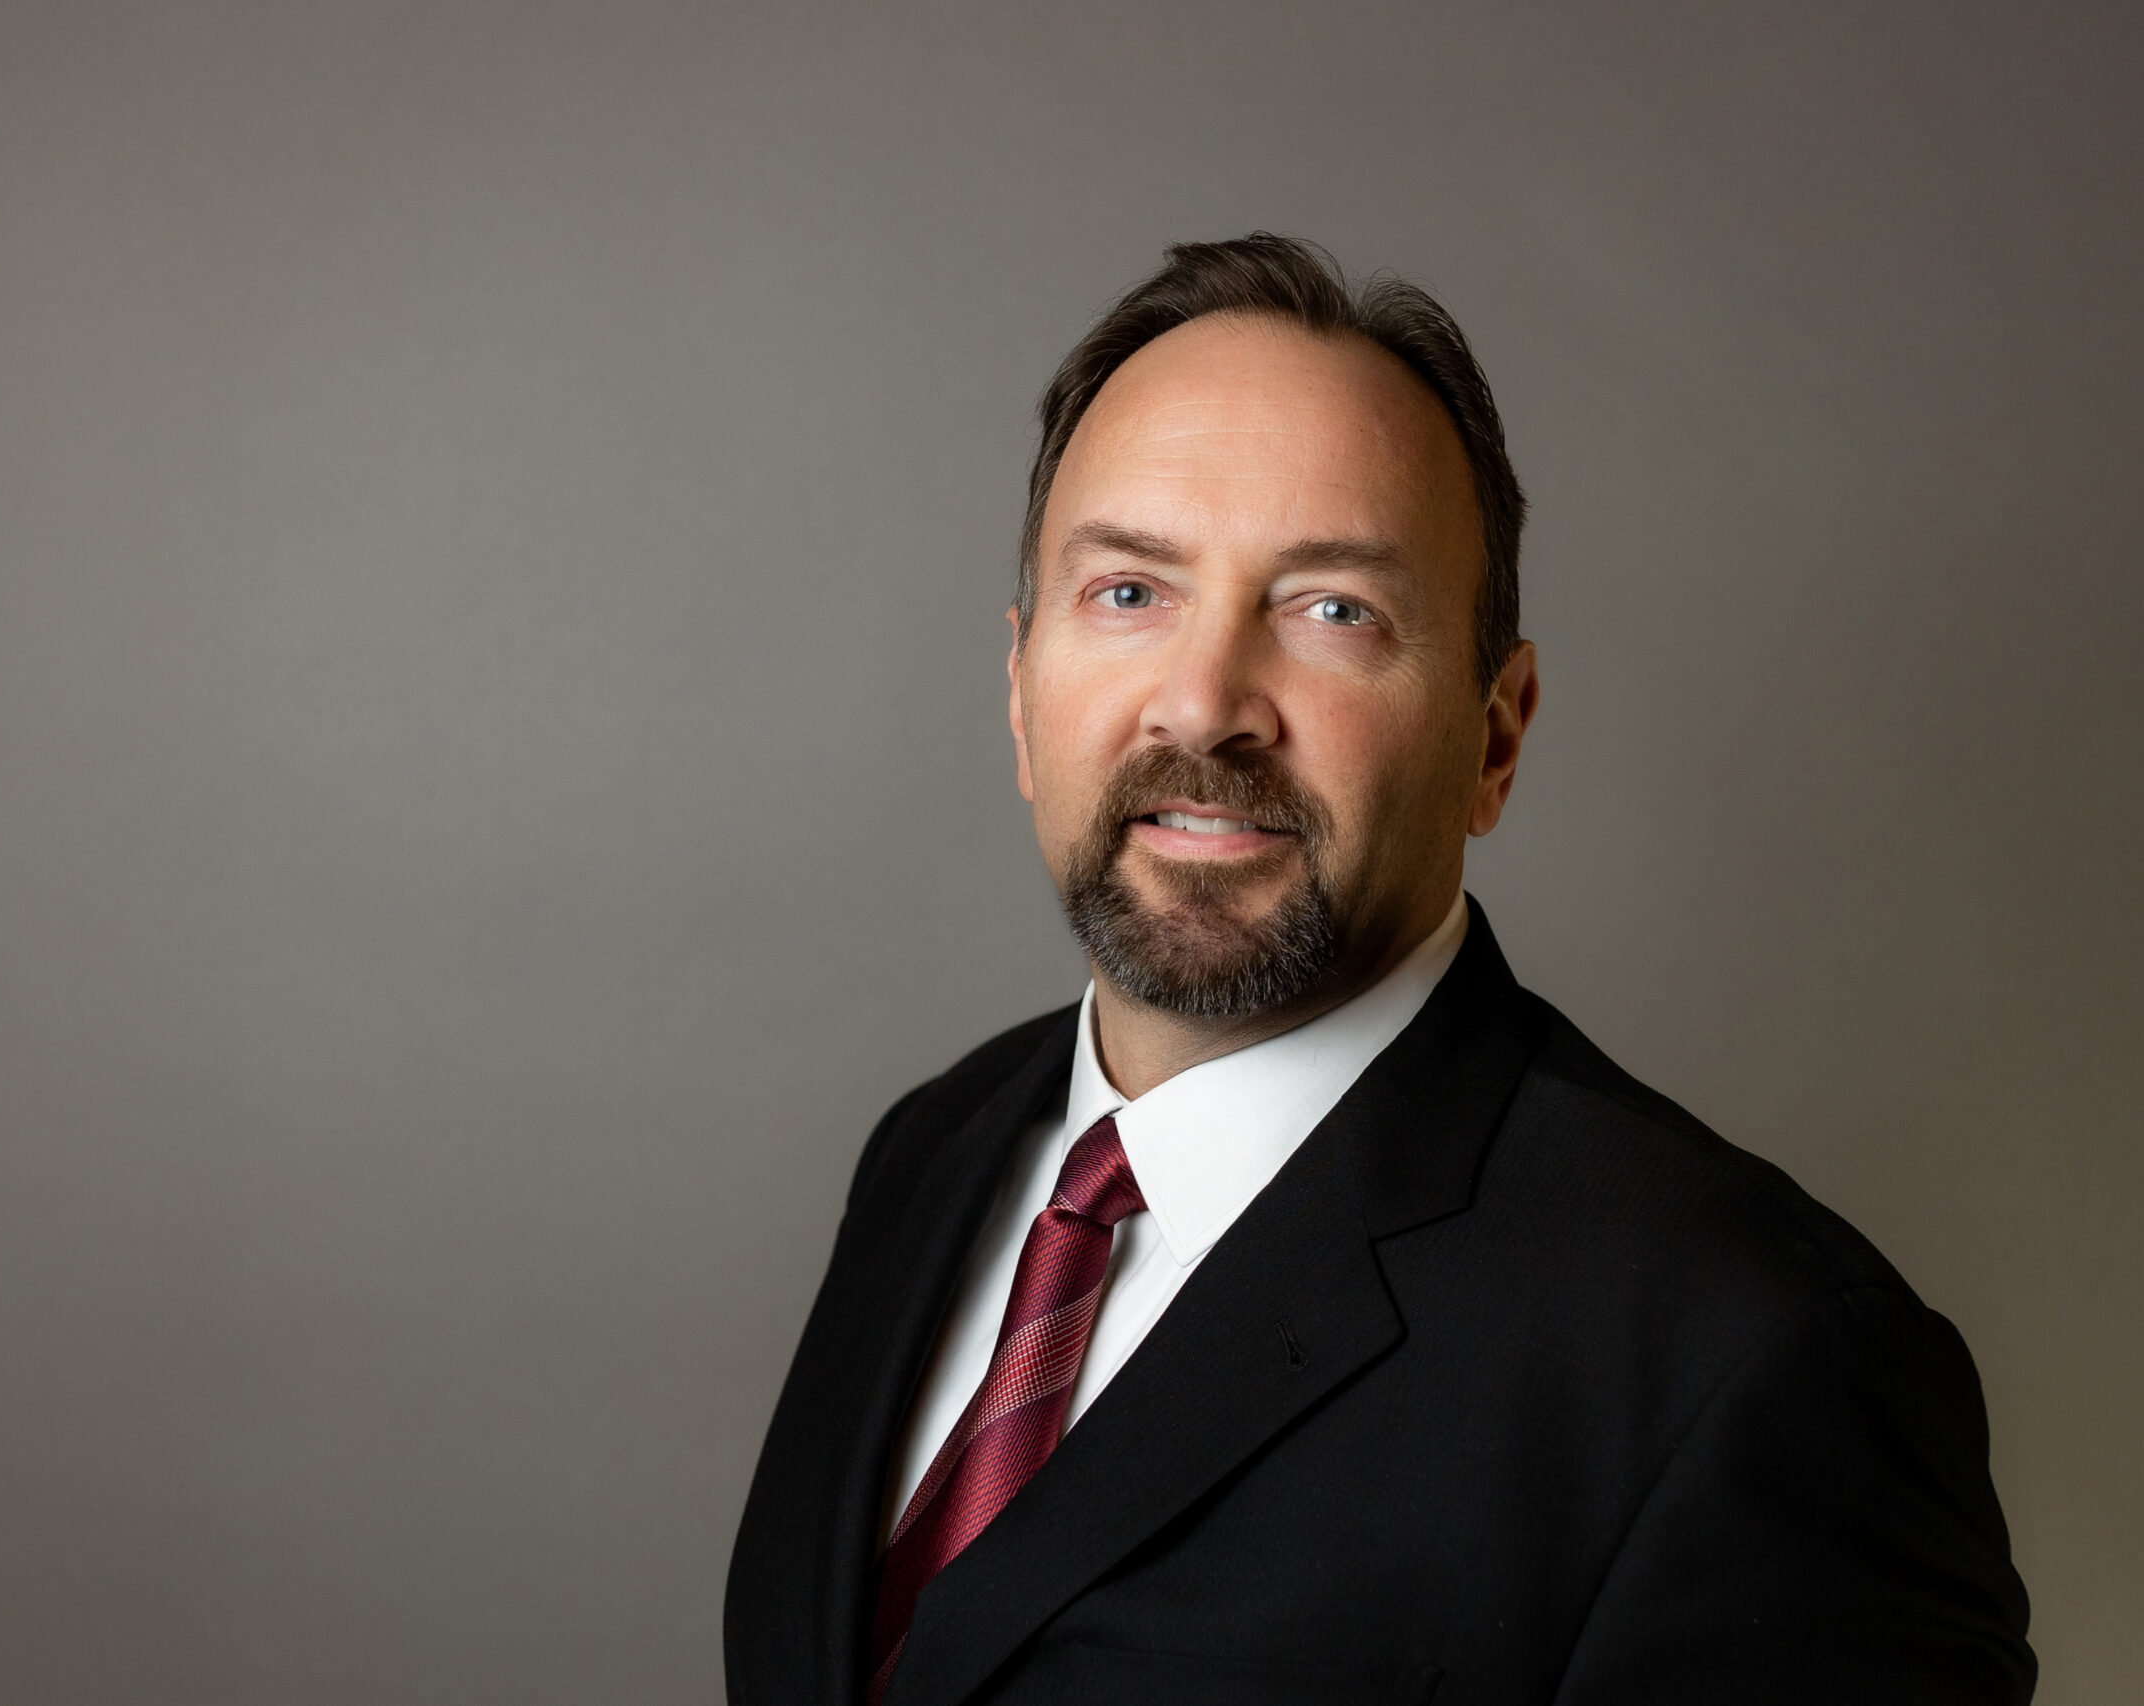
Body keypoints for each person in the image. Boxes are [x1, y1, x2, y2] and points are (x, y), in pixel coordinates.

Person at [725, 234, 2036, 1706]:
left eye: (1332, 610)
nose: (1204, 704)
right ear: (1023, 691)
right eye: (1130, 592)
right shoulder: (934, 1153)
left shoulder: (1757, 1359)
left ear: (1496, 738)